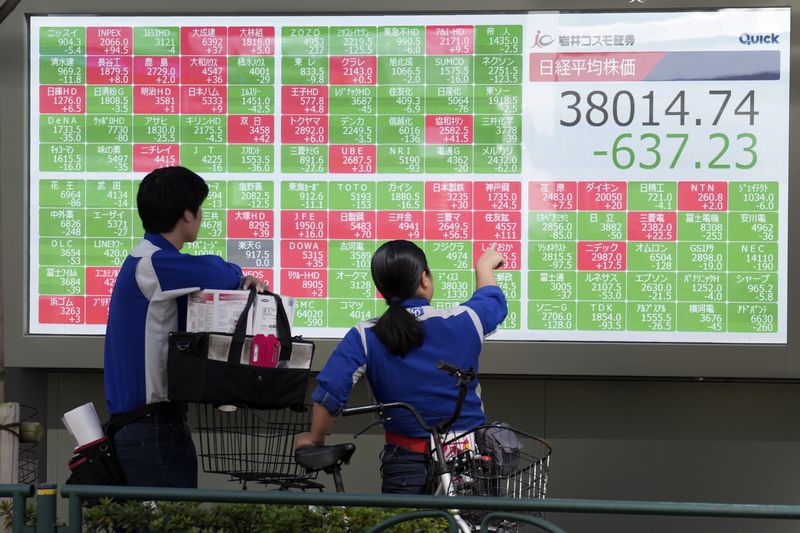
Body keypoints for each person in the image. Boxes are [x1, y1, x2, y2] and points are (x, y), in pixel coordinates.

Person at [295, 240, 507, 494]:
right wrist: (484, 266)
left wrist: (315, 438)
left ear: (382, 288)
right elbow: (493, 301)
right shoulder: (465, 320)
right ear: (424, 279)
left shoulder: (366, 335)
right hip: (469, 460)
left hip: (406, 464)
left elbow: (330, 391)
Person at [103, 166, 267, 487]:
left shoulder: (152, 261)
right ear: (186, 215)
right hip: (149, 428)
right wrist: (239, 275)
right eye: (200, 208)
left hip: (150, 426)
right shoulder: (154, 263)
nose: (202, 216)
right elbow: (217, 271)